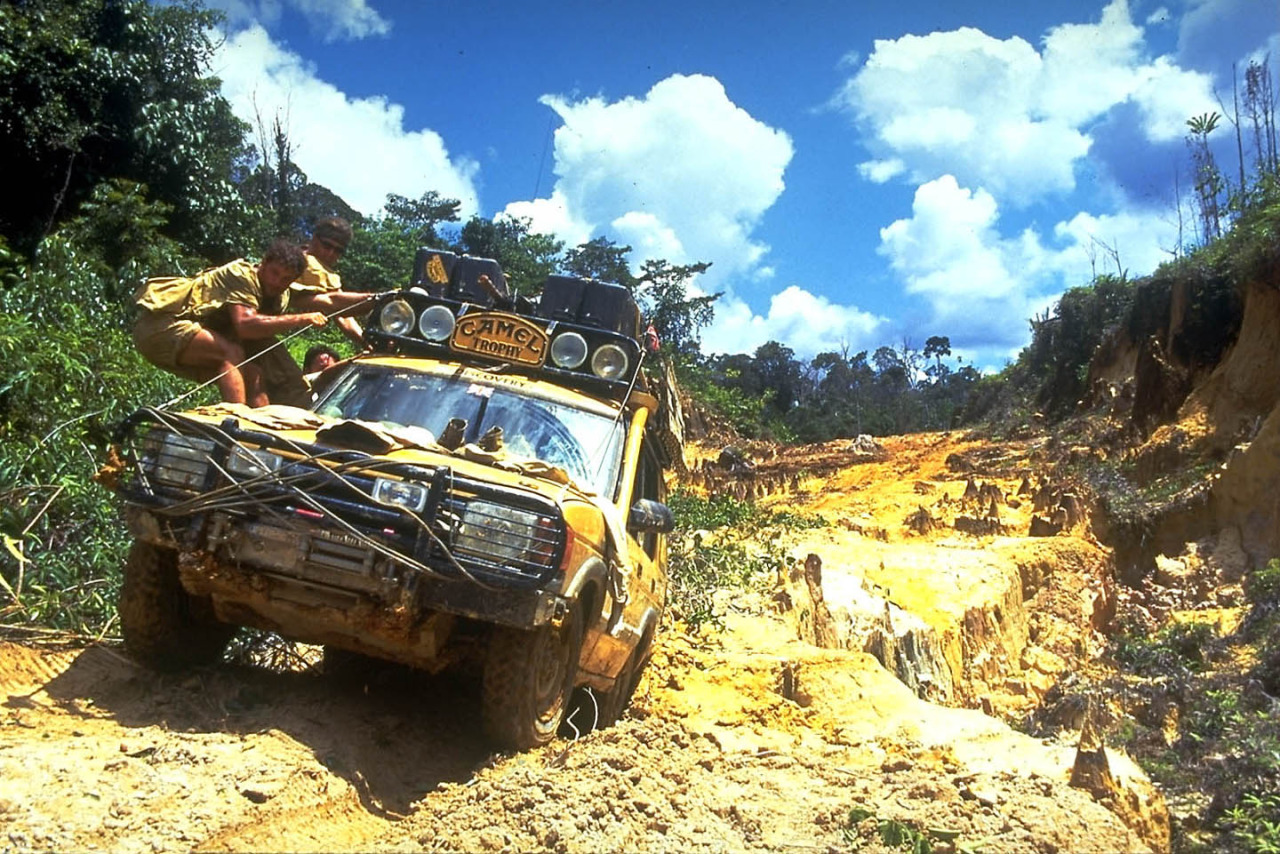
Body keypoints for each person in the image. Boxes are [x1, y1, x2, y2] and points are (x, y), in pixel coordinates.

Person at [133, 239, 326, 407]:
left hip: (189, 334)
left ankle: (260, 432)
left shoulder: (280, 297)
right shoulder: (241, 275)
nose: (277, 282)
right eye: (274, 273)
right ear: (264, 263)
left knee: (253, 374)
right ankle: (234, 422)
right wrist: (301, 318)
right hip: (161, 325)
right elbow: (246, 325)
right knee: (231, 353)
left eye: (285, 279)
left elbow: (333, 299)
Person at [294, 217, 371, 345]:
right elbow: (335, 302)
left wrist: (367, 343)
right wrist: (376, 300)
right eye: (327, 245)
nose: (330, 253)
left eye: (338, 250)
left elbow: (342, 315)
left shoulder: (326, 273)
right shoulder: (301, 261)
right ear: (314, 238)